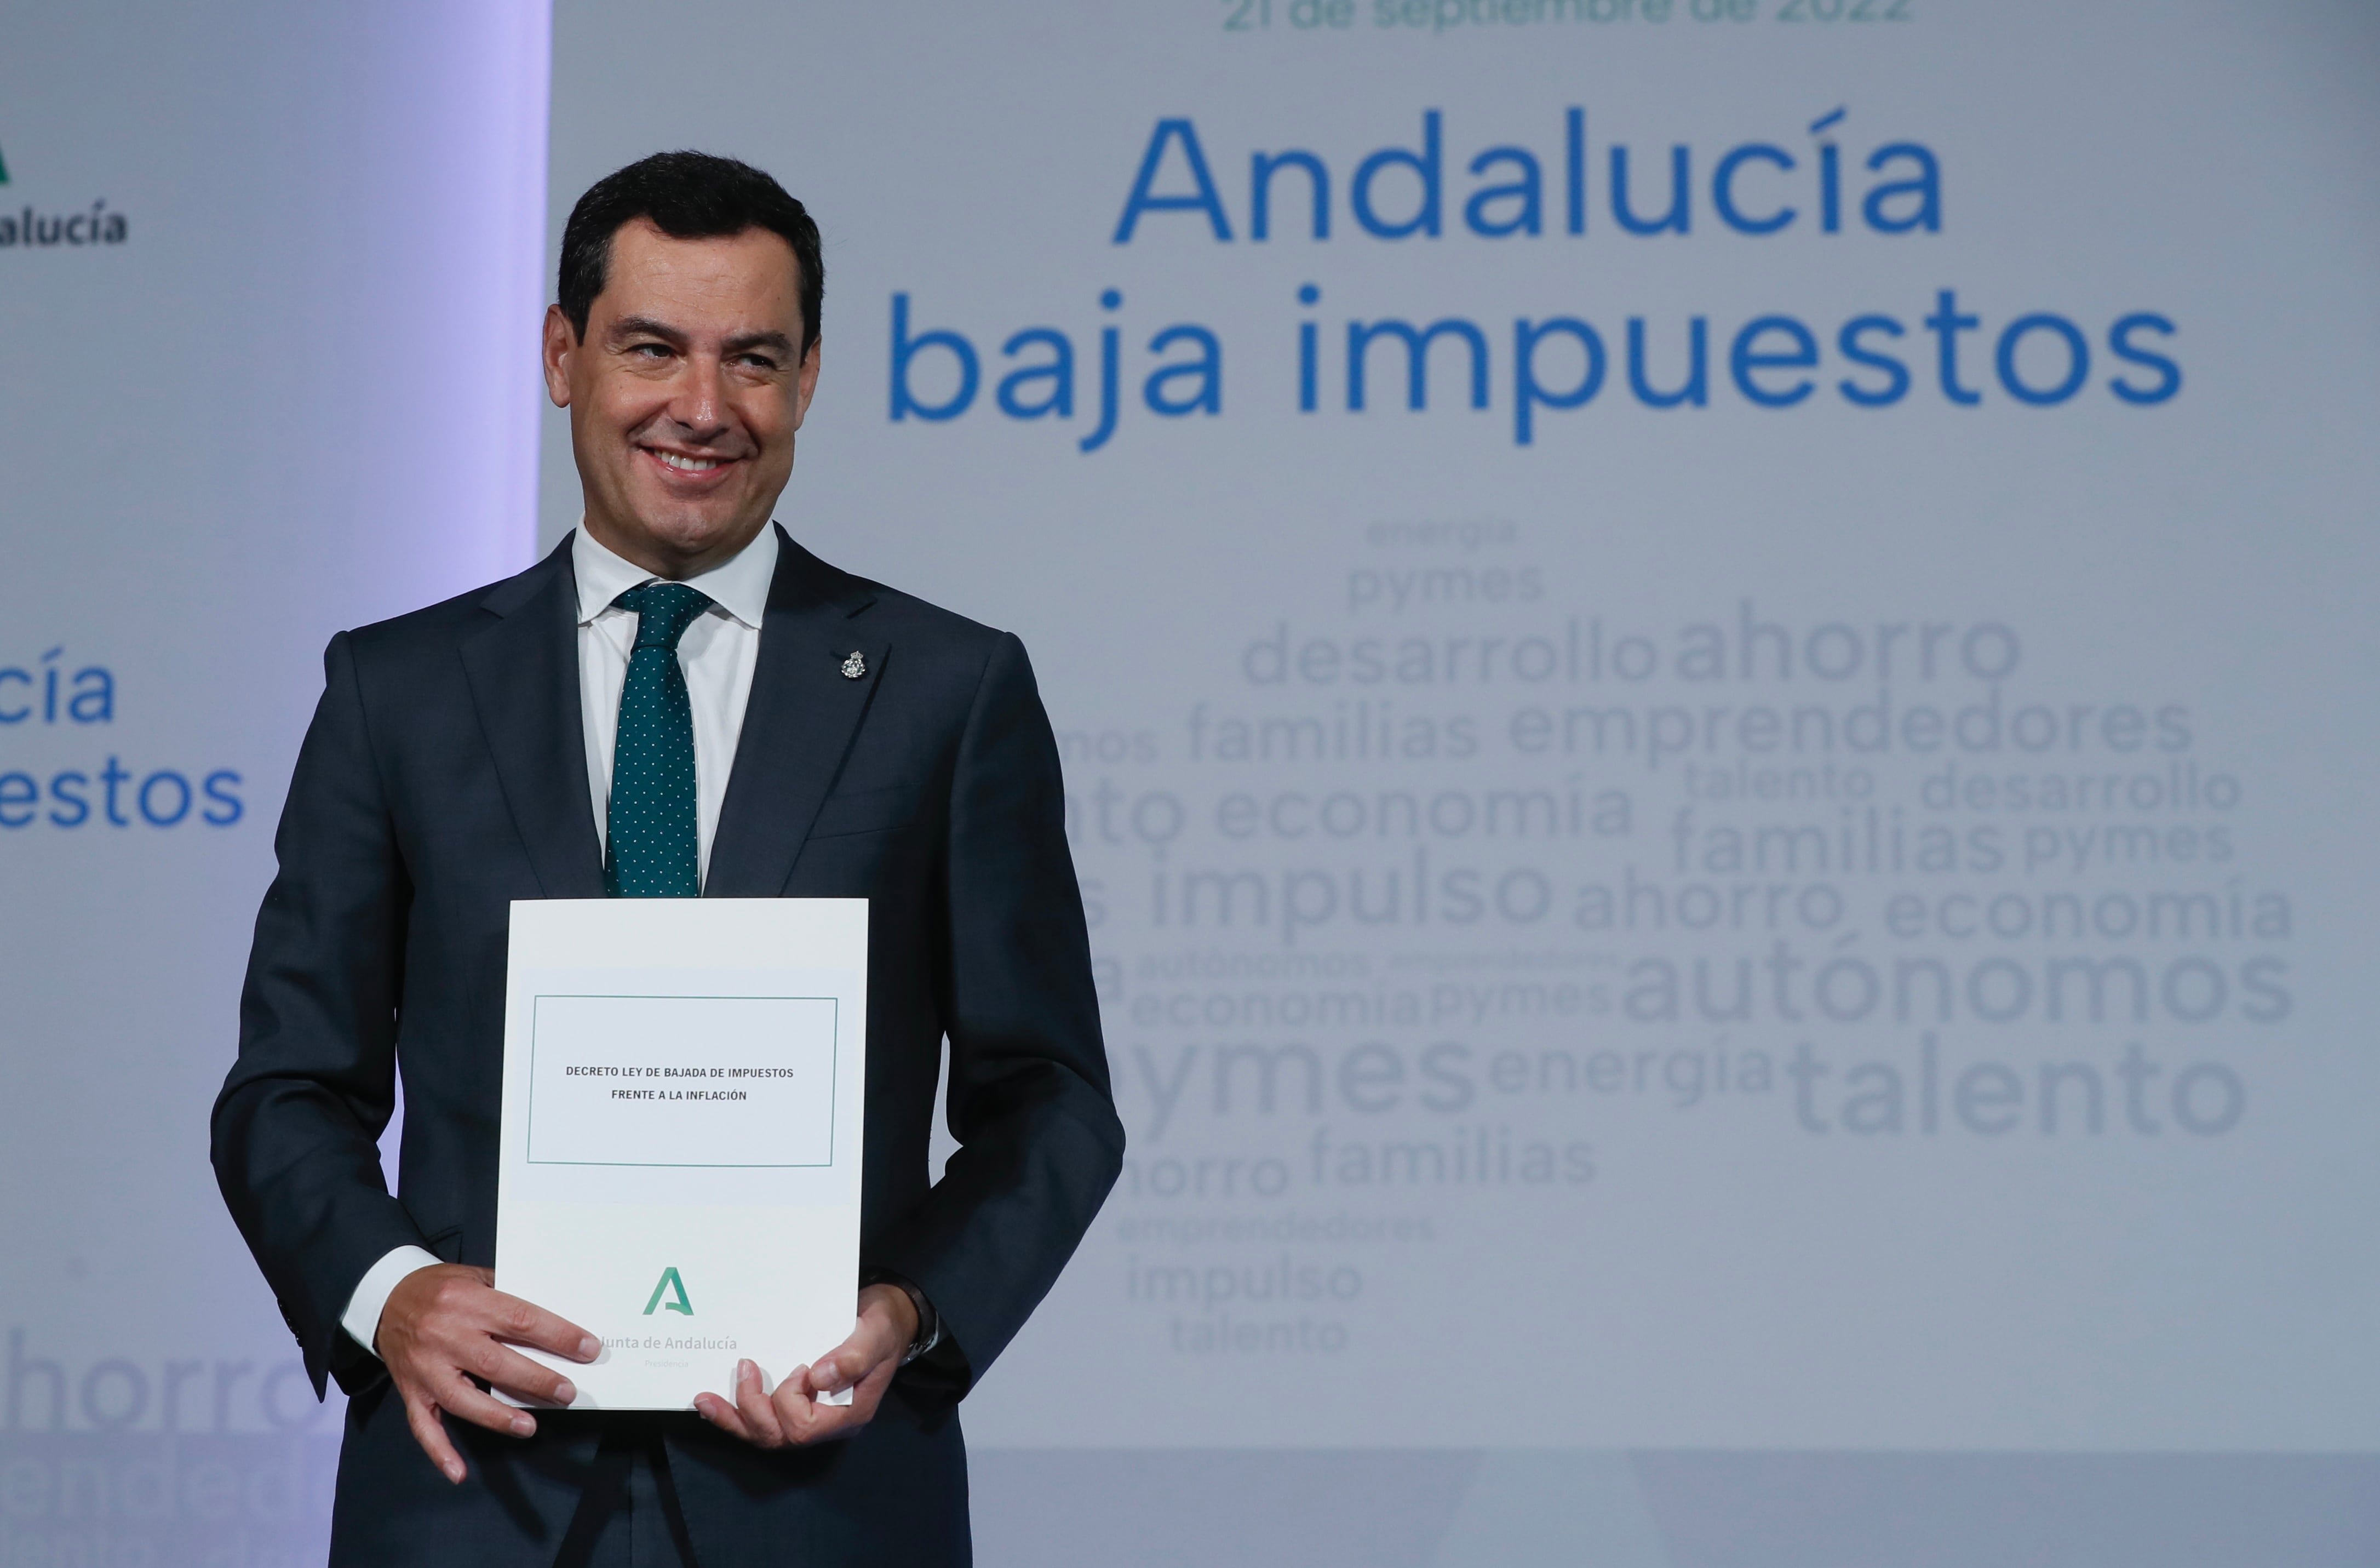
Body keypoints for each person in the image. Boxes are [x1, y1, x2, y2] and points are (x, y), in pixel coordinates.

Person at [211, 150, 1123, 1567]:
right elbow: (284, 1089)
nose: (702, 407)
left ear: (808, 379)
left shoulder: (948, 690)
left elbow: (1051, 1099)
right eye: (652, 349)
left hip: (821, 1497)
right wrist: (391, 1295)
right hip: (469, 1498)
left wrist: (908, 1313)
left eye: (751, 359)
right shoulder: (396, 690)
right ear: (562, 356)